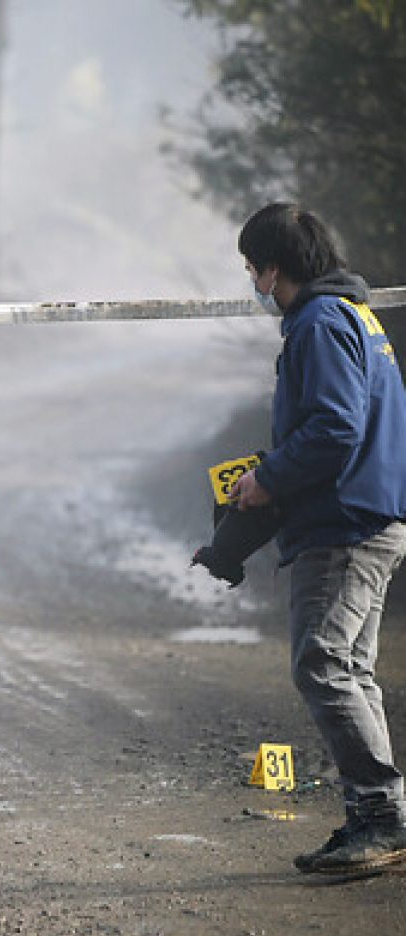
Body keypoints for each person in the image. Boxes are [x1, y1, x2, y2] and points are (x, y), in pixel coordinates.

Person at [230, 202, 406, 874]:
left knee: (324, 665)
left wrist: (268, 479)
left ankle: (380, 818)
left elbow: (335, 428)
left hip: (345, 523)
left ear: (274, 269)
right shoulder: (355, 313)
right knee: (350, 670)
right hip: (373, 514)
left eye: (252, 269)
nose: (253, 282)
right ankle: (377, 818)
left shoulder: (318, 322)